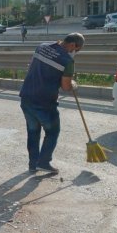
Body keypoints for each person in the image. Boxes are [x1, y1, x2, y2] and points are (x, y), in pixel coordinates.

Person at [19, 33, 85, 175]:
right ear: (73, 45)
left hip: (26, 97)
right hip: (44, 102)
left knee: (33, 132)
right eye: (77, 50)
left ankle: (33, 164)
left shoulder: (42, 47)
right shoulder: (67, 61)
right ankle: (43, 162)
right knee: (52, 131)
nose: (76, 53)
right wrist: (73, 84)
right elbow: (66, 86)